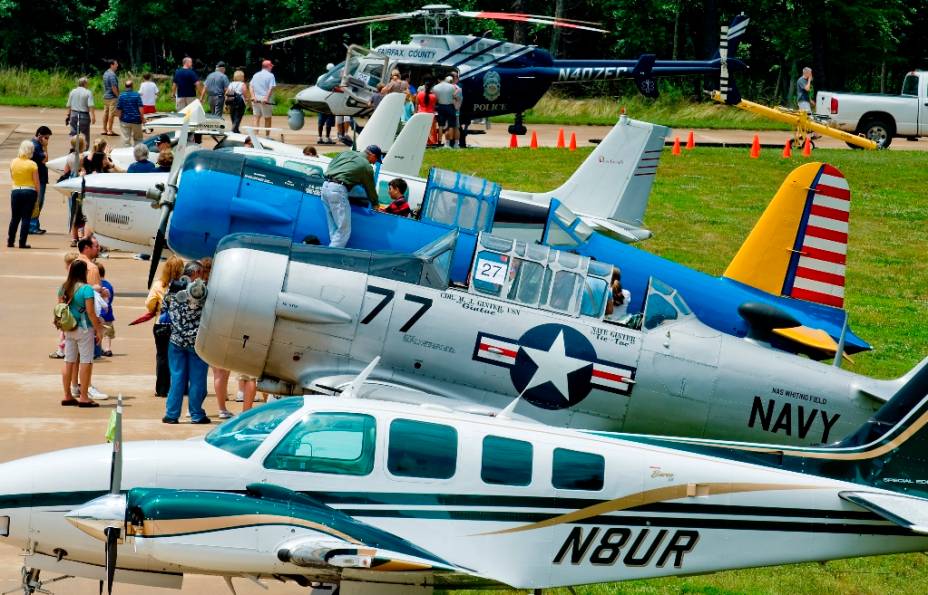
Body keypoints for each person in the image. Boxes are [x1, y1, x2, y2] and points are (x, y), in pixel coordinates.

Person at [163, 260, 211, 424]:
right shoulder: (202, 291)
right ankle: (196, 414)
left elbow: (165, 306)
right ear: (196, 273)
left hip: (176, 340)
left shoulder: (174, 289)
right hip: (196, 343)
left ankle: (171, 414)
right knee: (197, 379)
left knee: (177, 378)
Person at [58, 260, 105, 407]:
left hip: (69, 327)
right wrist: (99, 329)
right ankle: (84, 396)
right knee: (86, 361)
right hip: (84, 329)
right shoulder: (86, 289)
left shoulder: (63, 288)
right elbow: (91, 312)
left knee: (69, 360)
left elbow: (60, 307)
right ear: (83, 272)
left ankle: (67, 395)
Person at [321, 145, 381, 247]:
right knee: (344, 230)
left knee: (334, 228)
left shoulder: (345, 153)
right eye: (376, 160)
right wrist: (375, 204)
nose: (375, 163)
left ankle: (331, 249)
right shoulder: (366, 167)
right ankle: (331, 256)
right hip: (338, 190)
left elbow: (332, 164)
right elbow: (370, 188)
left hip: (325, 187)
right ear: (372, 155)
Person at [146, 256, 184, 398]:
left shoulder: (158, 285)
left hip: (161, 324)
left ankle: (162, 388)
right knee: (178, 357)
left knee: (162, 356)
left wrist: (156, 308)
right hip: (179, 325)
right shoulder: (184, 285)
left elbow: (149, 303)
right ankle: (179, 386)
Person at [7, 140, 39, 249]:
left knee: (15, 218)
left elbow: (12, 177)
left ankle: (10, 241)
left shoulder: (13, 162)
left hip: (16, 190)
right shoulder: (32, 164)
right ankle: (22, 242)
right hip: (29, 191)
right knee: (26, 218)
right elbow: (36, 182)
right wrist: (37, 195)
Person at [50, 251, 80, 359]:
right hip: (79, 316)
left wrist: (57, 318)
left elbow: (60, 304)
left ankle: (61, 350)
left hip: (67, 316)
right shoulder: (82, 284)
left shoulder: (65, 285)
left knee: (64, 334)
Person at [29, 126, 51, 234]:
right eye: (46, 138)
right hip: (38, 179)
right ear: (40, 136)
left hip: (39, 178)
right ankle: (32, 226)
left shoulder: (34, 145)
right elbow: (45, 159)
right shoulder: (36, 146)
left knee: (38, 203)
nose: (47, 140)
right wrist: (45, 147)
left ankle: (34, 224)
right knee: (37, 202)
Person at [250, 60, 276, 135]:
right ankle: (267, 136)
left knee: (256, 117)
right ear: (268, 66)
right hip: (265, 99)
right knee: (267, 118)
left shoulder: (256, 75)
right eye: (271, 66)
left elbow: (251, 86)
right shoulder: (271, 75)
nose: (272, 67)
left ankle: (255, 136)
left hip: (255, 99)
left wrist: (253, 96)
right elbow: (271, 88)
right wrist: (266, 98)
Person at [115, 80, 144, 147]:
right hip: (136, 120)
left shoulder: (121, 95)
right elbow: (140, 108)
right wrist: (142, 118)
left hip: (125, 120)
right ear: (132, 86)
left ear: (125, 86)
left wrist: (120, 118)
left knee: (125, 140)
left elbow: (119, 109)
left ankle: (126, 153)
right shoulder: (137, 95)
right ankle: (138, 153)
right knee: (138, 139)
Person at [65, 77, 95, 143]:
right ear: (85, 84)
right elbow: (90, 106)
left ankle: (74, 148)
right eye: (87, 83)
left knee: (74, 133)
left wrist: (68, 115)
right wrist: (93, 117)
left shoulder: (73, 91)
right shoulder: (88, 92)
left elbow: (69, 105)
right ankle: (84, 150)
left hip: (73, 114)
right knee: (85, 134)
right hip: (84, 116)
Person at [97, 263, 115, 357]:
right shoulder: (109, 285)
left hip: (98, 313)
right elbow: (111, 298)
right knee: (108, 333)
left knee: (98, 332)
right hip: (108, 313)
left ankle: (99, 348)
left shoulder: (96, 285)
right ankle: (108, 348)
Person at [102, 59, 119, 136]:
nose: (117, 65)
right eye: (116, 64)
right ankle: (110, 130)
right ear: (111, 65)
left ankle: (104, 129)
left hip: (106, 96)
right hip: (112, 97)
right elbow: (113, 87)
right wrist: (118, 96)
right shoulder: (112, 75)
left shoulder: (105, 73)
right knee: (111, 114)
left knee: (105, 113)